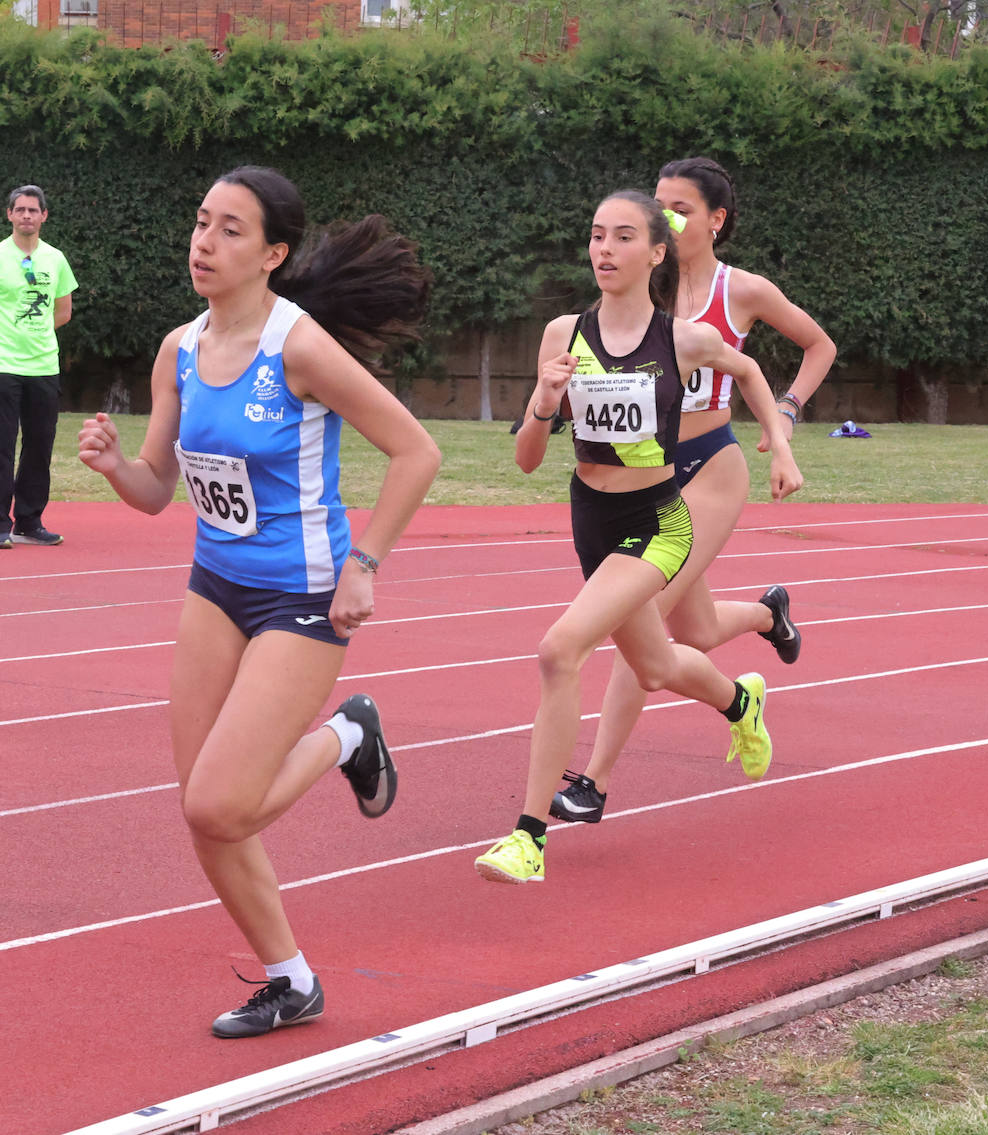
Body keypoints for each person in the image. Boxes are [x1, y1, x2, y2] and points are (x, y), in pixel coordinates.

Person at [77, 167, 441, 1035]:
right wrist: (114, 465)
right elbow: (159, 487)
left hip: (302, 594)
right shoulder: (179, 349)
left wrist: (367, 564)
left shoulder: (301, 348)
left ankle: (350, 732)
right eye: (202, 222)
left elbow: (415, 450)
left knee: (220, 803)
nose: (205, 241)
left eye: (230, 229)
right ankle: (292, 981)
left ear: (273, 253)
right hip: (216, 585)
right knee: (204, 808)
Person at [474, 190, 802, 884]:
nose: (604, 249)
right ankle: (741, 701)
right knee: (654, 665)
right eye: (596, 235)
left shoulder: (682, 339)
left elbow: (745, 370)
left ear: (656, 252)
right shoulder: (563, 334)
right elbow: (528, 459)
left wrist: (780, 442)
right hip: (590, 523)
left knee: (560, 649)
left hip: (657, 525)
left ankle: (528, 838)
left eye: (623, 237)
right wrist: (542, 400)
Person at [550, 156, 835, 825]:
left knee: (635, 621)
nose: (664, 217)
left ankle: (593, 779)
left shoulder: (742, 292)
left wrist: (786, 421)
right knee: (696, 629)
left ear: (716, 220)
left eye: (679, 208)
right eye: (658, 204)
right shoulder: (635, 286)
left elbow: (817, 345)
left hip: (708, 468)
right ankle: (769, 614)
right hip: (638, 478)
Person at [1, 184, 78, 548]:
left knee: (39, 446)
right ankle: (1, 524)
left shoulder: (55, 259)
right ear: (10, 215)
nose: (27, 215)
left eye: (34, 210)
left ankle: (28, 522)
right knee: (2, 444)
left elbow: (63, 311)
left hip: (44, 366)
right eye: (21, 209)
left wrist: (34, 333)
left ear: (44, 216)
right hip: (4, 365)